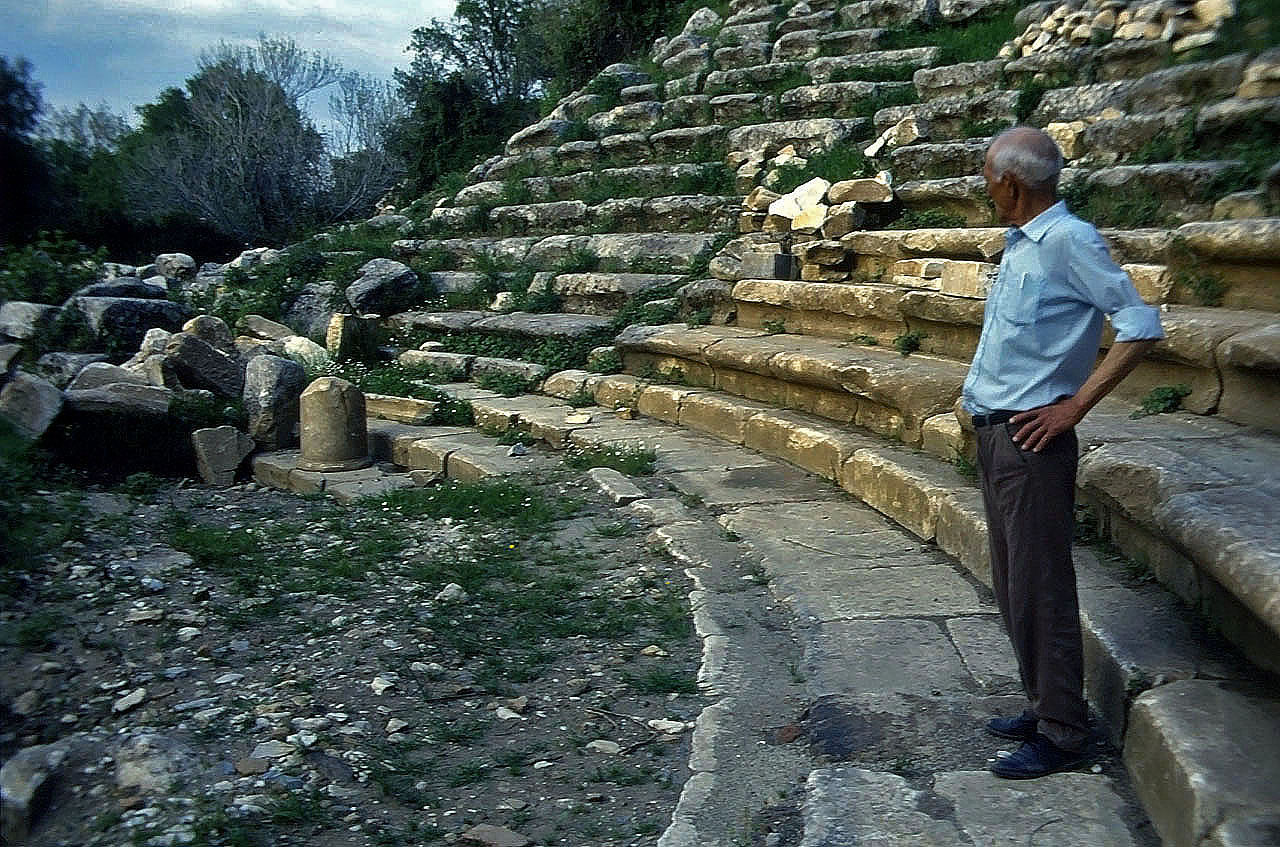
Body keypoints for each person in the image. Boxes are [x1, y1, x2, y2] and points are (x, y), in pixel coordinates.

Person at [964, 126, 1164, 779]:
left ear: (1011, 183)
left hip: (1032, 440)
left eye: (988, 176)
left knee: (1041, 584)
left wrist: (1074, 405)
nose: (985, 186)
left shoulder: (1069, 242)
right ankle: (1043, 699)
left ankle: (1062, 730)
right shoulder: (1022, 245)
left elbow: (1139, 325)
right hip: (996, 433)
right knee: (1014, 581)